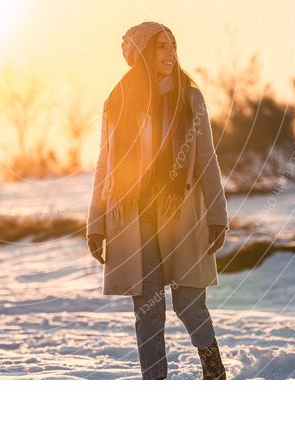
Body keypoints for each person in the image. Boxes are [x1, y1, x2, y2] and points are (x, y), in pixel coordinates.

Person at [85, 21, 229, 380]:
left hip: (182, 212)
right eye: (161, 47)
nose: (170, 54)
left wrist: (217, 216)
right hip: (134, 218)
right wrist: (96, 224)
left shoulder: (189, 97)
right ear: (142, 55)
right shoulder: (117, 102)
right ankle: (155, 384)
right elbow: (106, 163)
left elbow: (206, 159)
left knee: (189, 303)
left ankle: (214, 372)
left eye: (173, 46)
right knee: (147, 308)